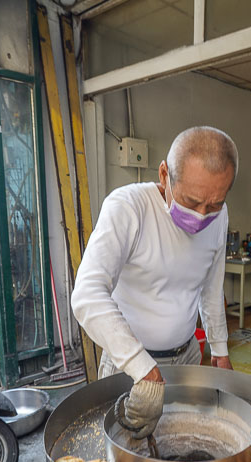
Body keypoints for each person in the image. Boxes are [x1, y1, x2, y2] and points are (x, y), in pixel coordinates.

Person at [71, 125, 238, 440]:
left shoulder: (220, 216)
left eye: (213, 204)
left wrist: (219, 347)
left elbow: (211, 289)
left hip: (187, 357)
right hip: (129, 366)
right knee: (124, 453)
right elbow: (88, 296)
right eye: (191, 201)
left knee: (182, 444)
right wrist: (142, 368)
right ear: (164, 175)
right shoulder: (129, 207)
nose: (202, 216)